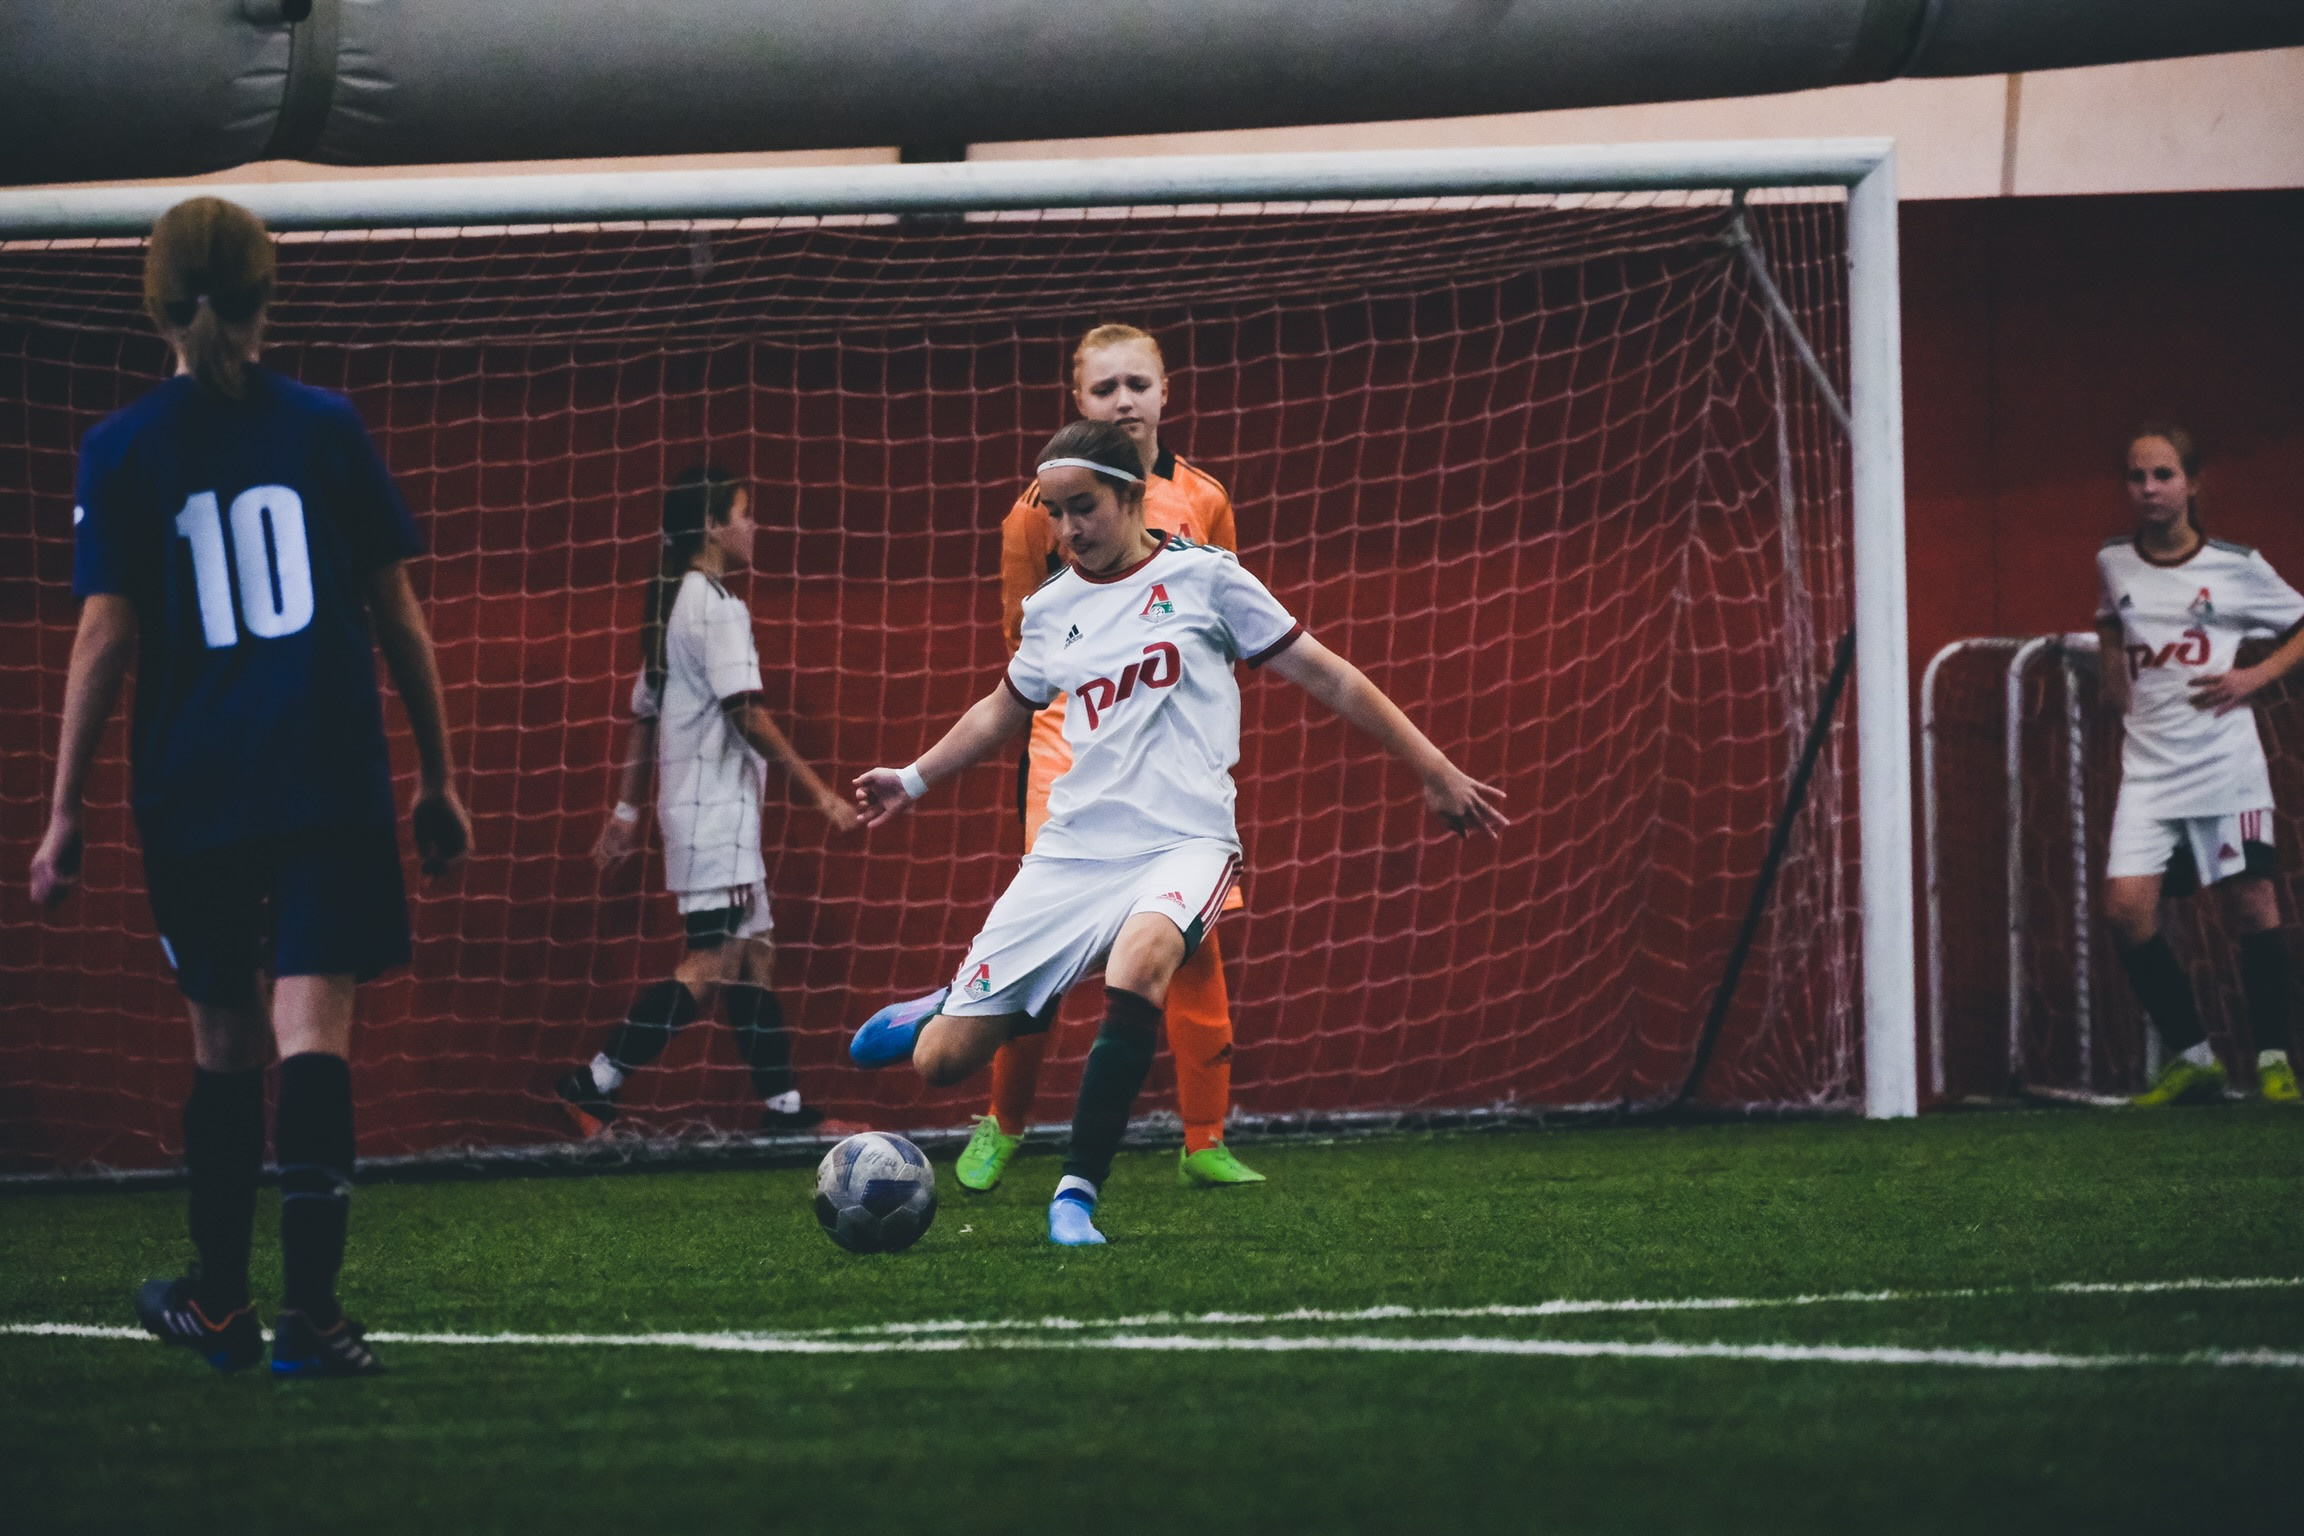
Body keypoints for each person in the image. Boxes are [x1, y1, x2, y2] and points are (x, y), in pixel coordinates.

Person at [847, 419, 1506, 1245]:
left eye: (1082, 507)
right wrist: (910, 779)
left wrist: (1433, 766)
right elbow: (1003, 709)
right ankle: (952, 1001)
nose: (1067, 529)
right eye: (1053, 513)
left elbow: (1331, 674)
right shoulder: (1052, 607)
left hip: (1189, 844)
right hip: (1074, 851)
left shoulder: (1210, 581)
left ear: (1130, 495)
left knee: (1144, 958)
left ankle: (1075, 1197)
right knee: (939, 1065)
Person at [27, 196, 471, 1376]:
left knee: (225, 1045)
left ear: (156, 305)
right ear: (272, 295)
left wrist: (63, 811)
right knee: (313, 1034)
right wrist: (438, 773)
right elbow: (398, 619)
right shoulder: (325, 428)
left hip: (195, 790)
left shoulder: (120, 449)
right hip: (327, 776)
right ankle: (311, 1323)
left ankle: (220, 1302)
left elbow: (102, 637)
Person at [953, 323, 1261, 1192]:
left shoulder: (1203, 497)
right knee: (1045, 939)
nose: (1123, 401)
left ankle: (1204, 1140)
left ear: (1167, 392)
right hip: (1071, 745)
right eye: (1103, 390)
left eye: (1138, 384)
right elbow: (1025, 643)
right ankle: (1003, 1121)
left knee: (1190, 942)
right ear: (1077, 402)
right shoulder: (1034, 510)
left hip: (1171, 750)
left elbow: (1228, 621)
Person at [556, 468, 860, 1137]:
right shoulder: (716, 606)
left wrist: (630, 812)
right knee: (713, 963)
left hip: (707, 814)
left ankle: (783, 1112)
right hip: (712, 816)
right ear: (712, 527)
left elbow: (645, 715)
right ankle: (593, 1082)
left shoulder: (674, 602)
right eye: (745, 513)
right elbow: (747, 714)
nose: (755, 526)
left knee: (754, 954)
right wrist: (823, 798)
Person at [2095, 422, 2304, 1105]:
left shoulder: (2237, 566)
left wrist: (2255, 677)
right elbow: (2108, 624)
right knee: (2126, 910)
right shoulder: (2114, 561)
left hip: (2224, 764)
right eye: (2137, 476)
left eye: (2162, 475)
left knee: (2252, 903)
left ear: (2190, 483)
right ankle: (2193, 1059)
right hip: (2148, 770)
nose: (2149, 489)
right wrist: (2117, 691)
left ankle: (2274, 1059)